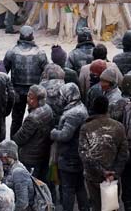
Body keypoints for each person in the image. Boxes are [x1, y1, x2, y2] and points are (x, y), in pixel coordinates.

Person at [79, 95, 129, 210]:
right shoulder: (118, 127)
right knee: (111, 207)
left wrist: (102, 172)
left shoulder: (86, 128)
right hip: (112, 178)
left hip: (93, 177)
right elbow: (124, 153)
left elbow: (84, 154)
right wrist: (114, 173)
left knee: (96, 206)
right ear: (107, 108)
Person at [50, 82, 90, 211]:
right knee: (79, 186)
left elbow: (64, 135)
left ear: (68, 96)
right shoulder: (79, 107)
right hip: (77, 155)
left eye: (62, 95)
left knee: (68, 189)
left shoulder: (74, 114)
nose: (60, 98)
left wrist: (53, 132)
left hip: (70, 157)